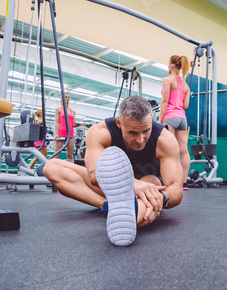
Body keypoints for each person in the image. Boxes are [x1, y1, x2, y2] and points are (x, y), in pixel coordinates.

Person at [43, 96, 184, 246]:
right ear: (119, 123)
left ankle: (132, 212)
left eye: (146, 131)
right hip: (110, 187)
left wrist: (161, 199)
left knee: (151, 182)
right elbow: (94, 175)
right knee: (51, 167)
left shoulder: (165, 139)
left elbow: (176, 188)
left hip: (147, 191)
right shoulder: (100, 132)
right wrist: (131, 183)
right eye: (132, 133)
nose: (140, 140)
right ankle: (108, 206)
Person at [158, 55, 191, 190]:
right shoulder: (186, 85)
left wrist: (160, 120)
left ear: (172, 65)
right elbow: (185, 105)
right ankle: (183, 182)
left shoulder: (168, 80)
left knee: (169, 152)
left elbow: (164, 101)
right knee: (183, 151)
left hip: (170, 117)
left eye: (168, 64)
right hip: (182, 119)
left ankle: (170, 181)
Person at [54, 92, 83, 162]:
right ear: (61, 99)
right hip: (61, 134)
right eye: (65, 97)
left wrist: (81, 124)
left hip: (71, 134)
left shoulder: (73, 111)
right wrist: (56, 134)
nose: (67, 98)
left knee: (70, 156)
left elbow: (73, 124)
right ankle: (51, 171)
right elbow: (56, 123)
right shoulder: (58, 109)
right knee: (56, 155)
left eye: (68, 97)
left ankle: (71, 171)